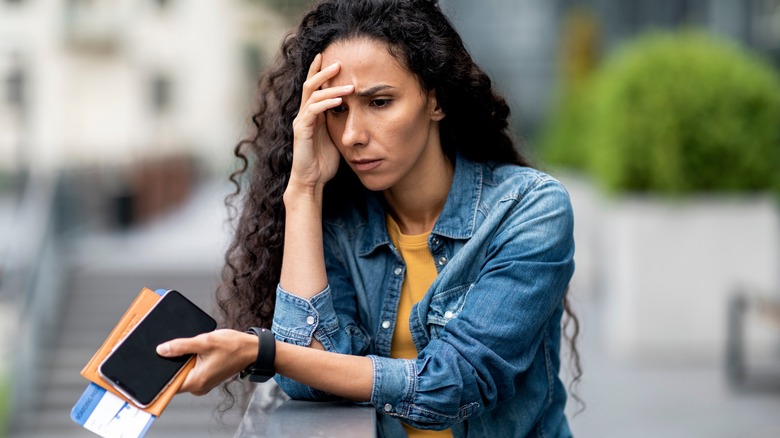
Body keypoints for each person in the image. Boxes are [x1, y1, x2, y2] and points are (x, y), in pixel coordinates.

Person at [156, 0, 581, 436]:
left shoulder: (527, 210)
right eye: (337, 110)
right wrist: (303, 191)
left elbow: (452, 384)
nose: (354, 135)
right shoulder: (340, 222)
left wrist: (262, 352)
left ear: (435, 99)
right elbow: (311, 382)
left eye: (379, 101)